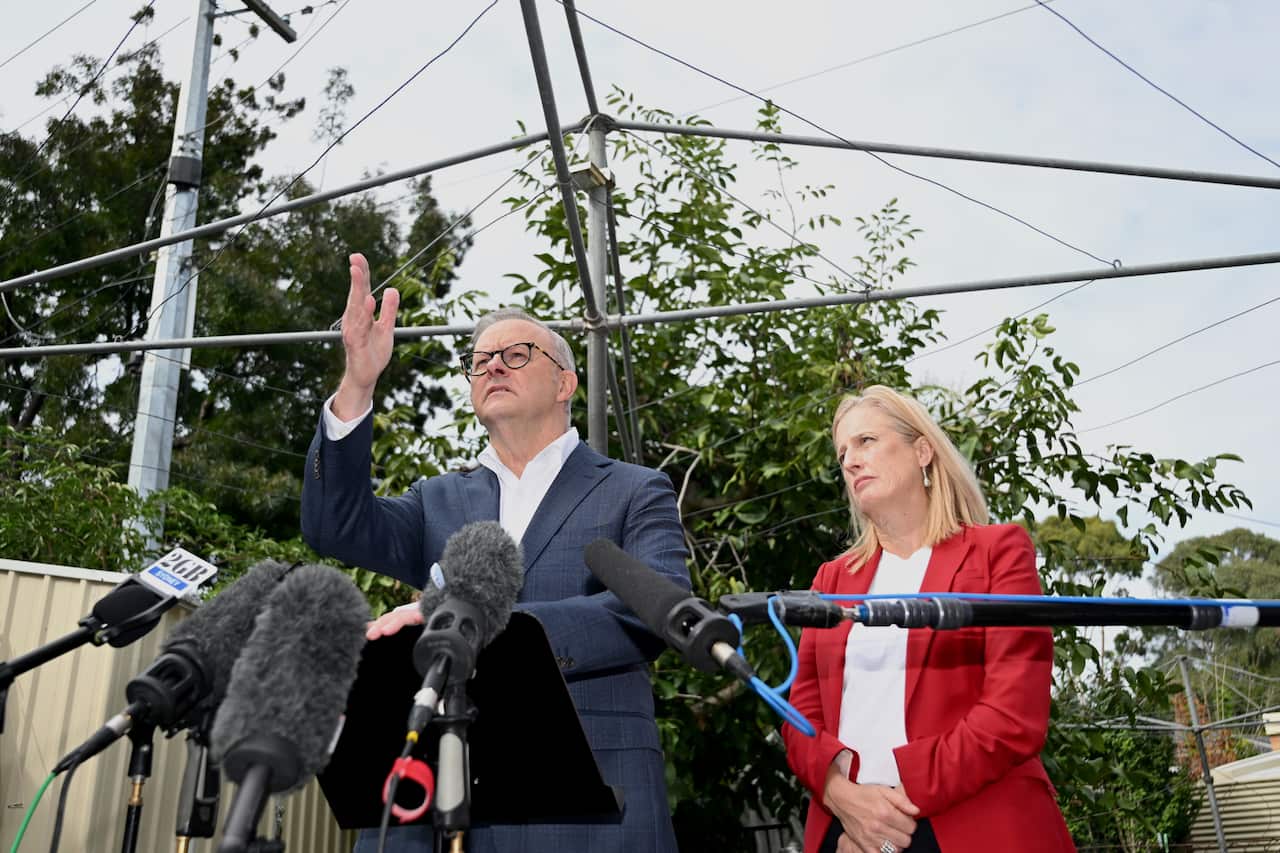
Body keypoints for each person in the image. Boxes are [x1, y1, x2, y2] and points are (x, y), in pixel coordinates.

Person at [301, 254, 687, 853]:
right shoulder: (438, 500)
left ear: (565, 381)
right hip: (437, 805)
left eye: (515, 355)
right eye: (478, 361)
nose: (492, 367)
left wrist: (486, 627)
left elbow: (653, 612)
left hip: (590, 807)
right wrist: (358, 382)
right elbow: (334, 525)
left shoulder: (634, 490)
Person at [782, 386, 1075, 853]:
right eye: (842, 453)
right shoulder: (830, 581)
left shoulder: (997, 551)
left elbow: (1013, 714)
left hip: (978, 825)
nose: (851, 461)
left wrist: (895, 805)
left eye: (866, 442)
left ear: (922, 450)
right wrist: (845, 801)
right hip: (851, 838)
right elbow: (800, 717)